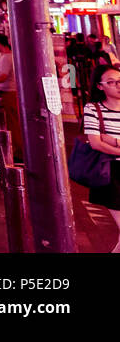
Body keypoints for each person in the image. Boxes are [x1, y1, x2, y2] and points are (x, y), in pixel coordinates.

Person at [82, 64, 120, 251]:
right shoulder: (93, 108)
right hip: (110, 174)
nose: (118, 86)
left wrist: (112, 141)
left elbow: (103, 141)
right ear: (100, 86)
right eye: (112, 82)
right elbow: (96, 143)